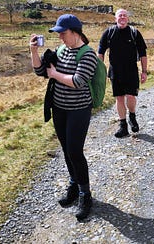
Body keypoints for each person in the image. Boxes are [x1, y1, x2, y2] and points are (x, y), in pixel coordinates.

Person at [29, 14, 97, 221]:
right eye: (58, 34)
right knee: (67, 150)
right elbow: (41, 71)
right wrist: (33, 51)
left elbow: (78, 81)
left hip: (79, 110)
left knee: (75, 151)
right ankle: (74, 185)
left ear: (76, 32)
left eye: (63, 33)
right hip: (59, 109)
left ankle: (86, 195)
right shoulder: (61, 50)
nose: (60, 37)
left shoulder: (88, 54)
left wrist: (55, 74)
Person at [98, 8, 148, 138]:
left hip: (131, 71)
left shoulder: (134, 33)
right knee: (119, 98)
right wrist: (99, 71)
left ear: (128, 19)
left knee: (131, 97)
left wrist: (144, 71)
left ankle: (132, 115)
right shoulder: (108, 32)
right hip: (115, 71)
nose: (122, 18)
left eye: (124, 16)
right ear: (115, 19)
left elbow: (143, 53)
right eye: (120, 16)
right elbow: (101, 51)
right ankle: (123, 126)